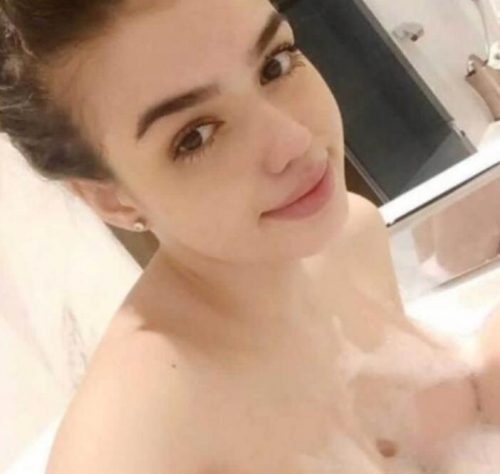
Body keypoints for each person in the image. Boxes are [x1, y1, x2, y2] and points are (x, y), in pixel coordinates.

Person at [0, 0, 498, 472]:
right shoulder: (132, 447)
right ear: (114, 200)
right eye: (195, 136)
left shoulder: (350, 239)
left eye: (275, 65)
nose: (295, 141)